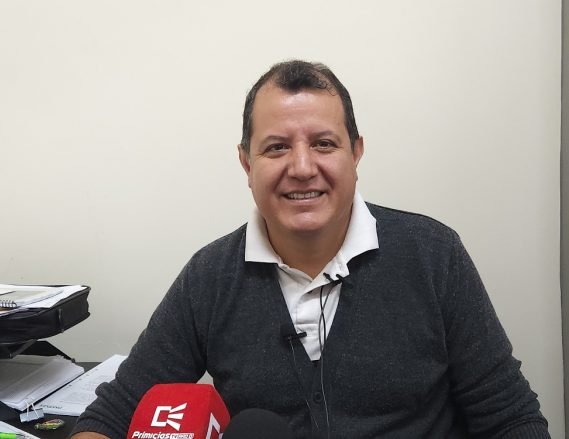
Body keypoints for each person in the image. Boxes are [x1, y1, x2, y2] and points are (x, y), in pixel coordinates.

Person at [71, 60, 550, 438]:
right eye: (277, 147)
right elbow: (114, 414)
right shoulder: (210, 276)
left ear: (355, 153)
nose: (302, 168)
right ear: (246, 163)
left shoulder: (432, 255)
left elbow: (510, 418)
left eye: (323, 144)